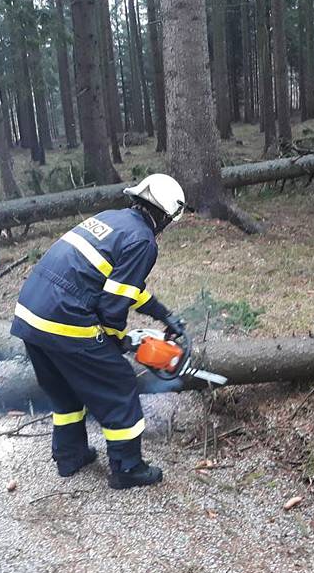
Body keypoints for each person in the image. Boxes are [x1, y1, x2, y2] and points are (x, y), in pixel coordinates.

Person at [10, 174, 187, 489]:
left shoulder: (111, 219)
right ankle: (127, 468)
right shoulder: (144, 241)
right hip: (63, 318)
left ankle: (69, 455)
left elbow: (122, 288)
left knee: (64, 390)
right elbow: (112, 306)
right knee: (119, 385)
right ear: (164, 215)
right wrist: (118, 342)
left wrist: (164, 315)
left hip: (31, 312)